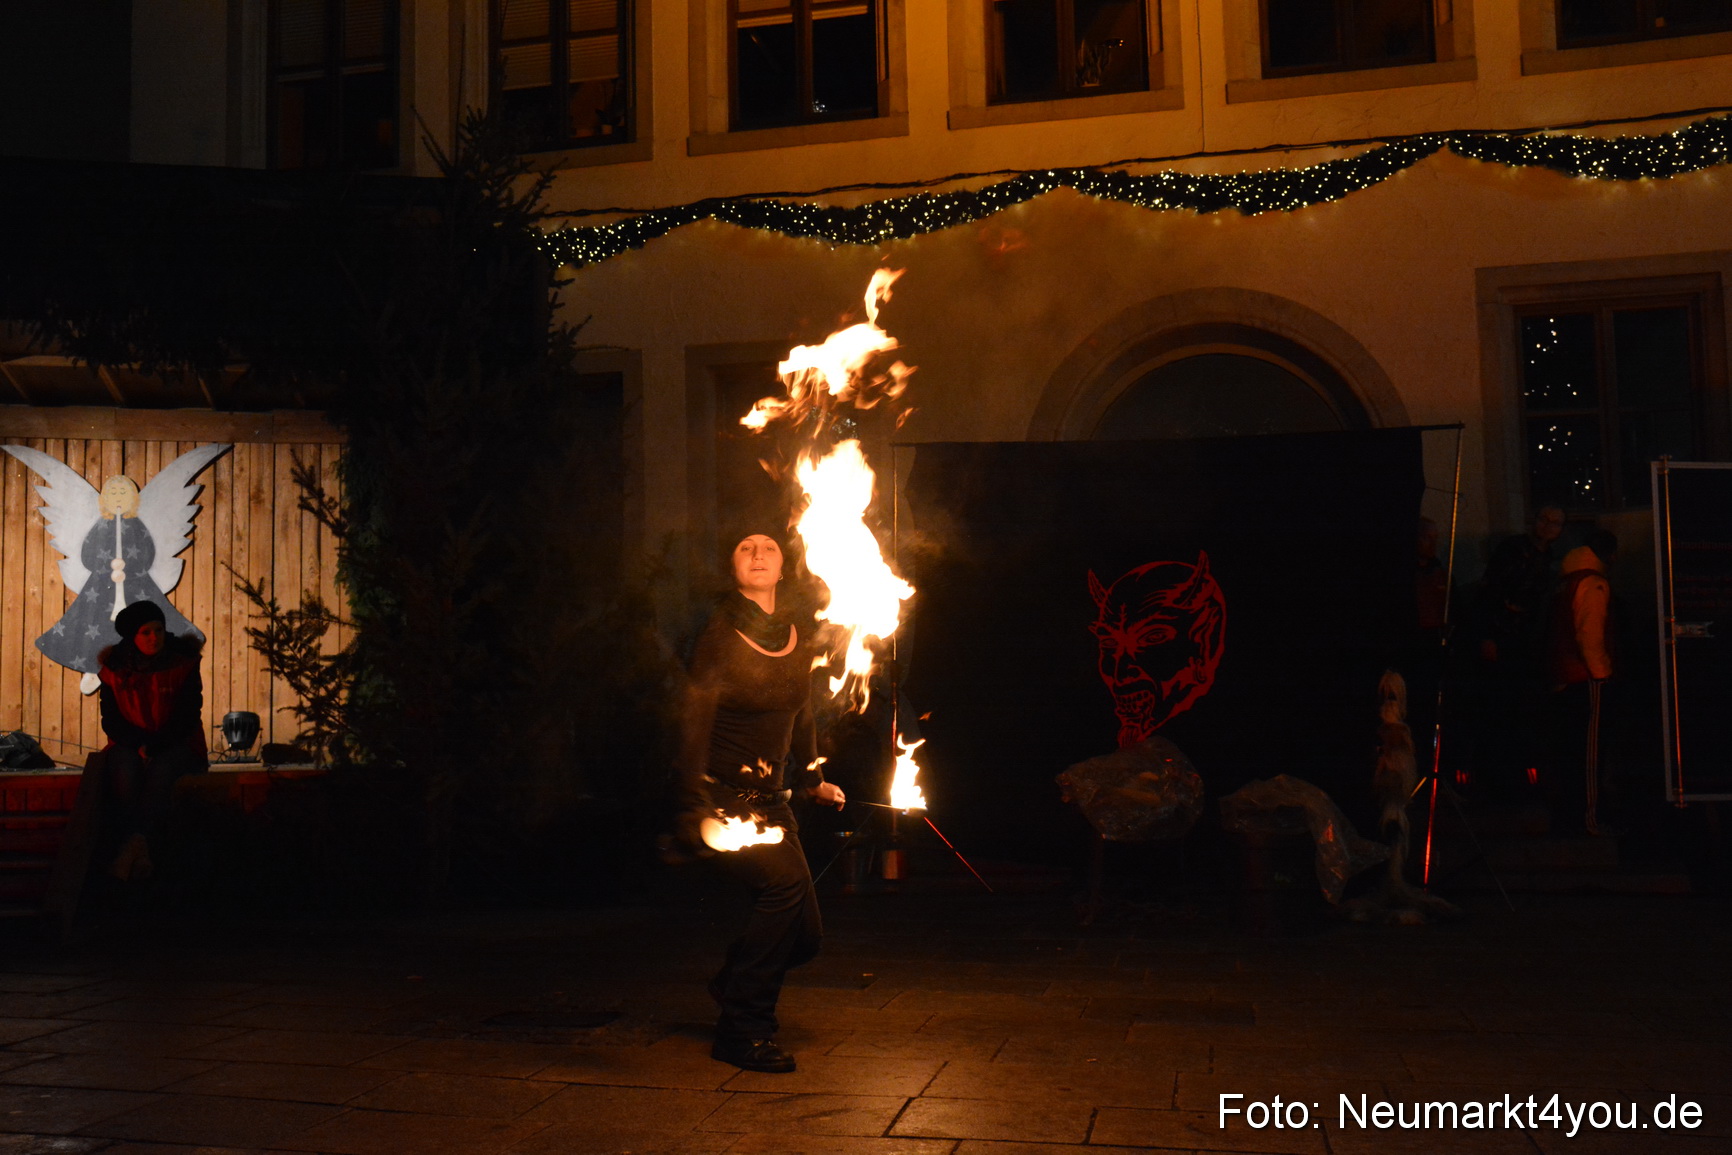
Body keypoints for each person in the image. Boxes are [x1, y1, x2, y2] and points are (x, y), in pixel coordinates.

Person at [677, 525, 845, 1074]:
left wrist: (814, 779)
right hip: (724, 799)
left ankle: (733, 983)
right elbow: (693, 721)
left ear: (783, 564)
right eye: (745, 546)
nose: (758, 553)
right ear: (732, 565)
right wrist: (693, 800)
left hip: (773, 803)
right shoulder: (719, 634)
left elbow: (803, 712)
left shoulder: (796, 631)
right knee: (785, 885)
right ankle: (742, 1031)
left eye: (769, 546)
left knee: (806, 939)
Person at [97, 600, 208, 881]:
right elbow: (110, 718)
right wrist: (138, 744)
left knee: (162, 772)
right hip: (129, 744)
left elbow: (188, 713)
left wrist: (156, 745)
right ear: (132, 636)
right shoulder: (114, 668)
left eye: (158, 630)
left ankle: (132, 847)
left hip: (177, 743)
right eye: (145, 632)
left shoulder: (182, 661)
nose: (154, 637)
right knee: (124, 776)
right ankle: (141, 852)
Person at [1546, 528, 1618, 836]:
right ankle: (1591, 818)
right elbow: (1590, 635)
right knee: (1591, 753)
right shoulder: (1593, 583)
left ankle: (1568, 817)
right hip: (1585, 678)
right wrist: (1603, 674)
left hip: (1562, 677)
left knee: (1570, 751)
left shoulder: (1564, 582)